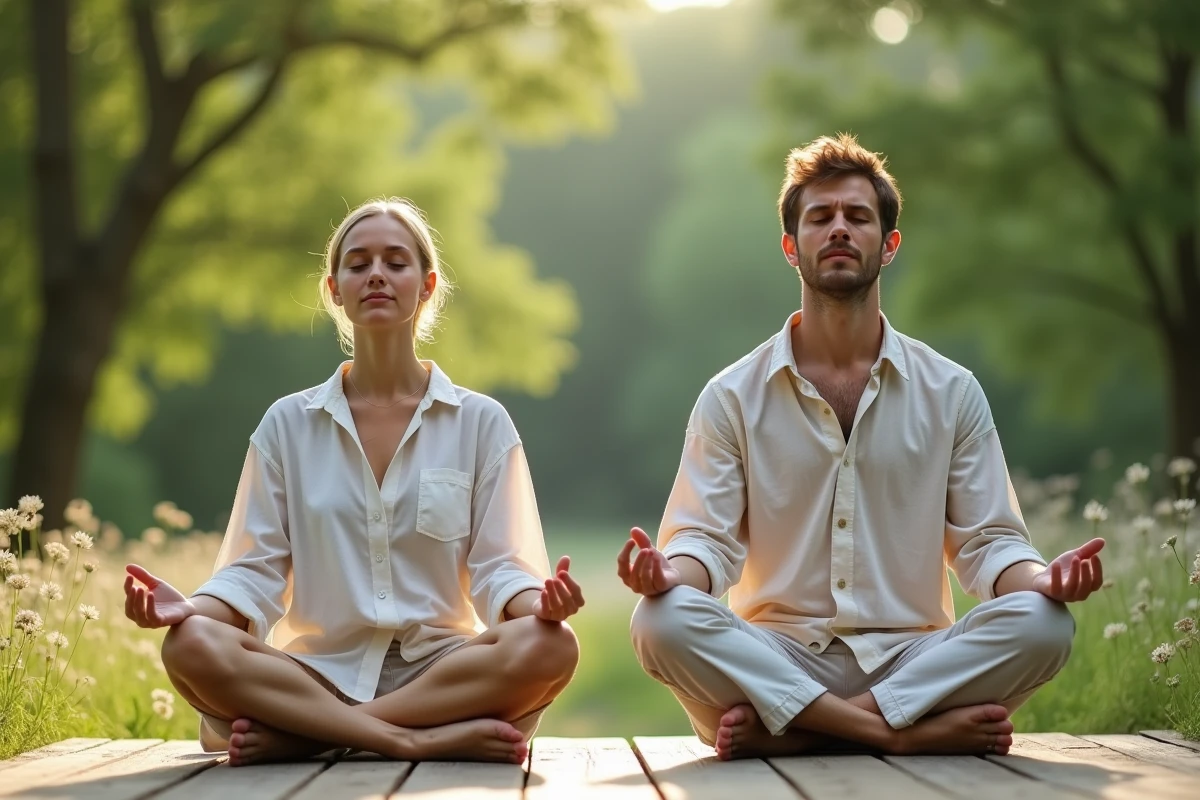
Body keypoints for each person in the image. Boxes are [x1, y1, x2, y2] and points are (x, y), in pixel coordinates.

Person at [617, 134, 1105, 761]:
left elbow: (989, 544)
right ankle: (897, 733)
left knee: (1045, 622)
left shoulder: (952, 391)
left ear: (889, 244)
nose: (839, 228)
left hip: (911, 658)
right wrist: (667, 573)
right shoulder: (731, 396)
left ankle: (799, 732)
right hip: (778, 655)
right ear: (791, 247)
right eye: (820, 217)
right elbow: (704, 542)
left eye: (858, 216)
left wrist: (1044, 579)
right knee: (659, 620)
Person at [124, 198, 583, 767]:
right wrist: (189, 608)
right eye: (359, 263)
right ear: (335, 289)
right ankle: (410, 739)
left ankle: (313, 737)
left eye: (396, 262)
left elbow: (502, 567)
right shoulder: (287, 424)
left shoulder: (481, 422)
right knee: (191, 643)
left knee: (550, 644)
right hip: (315, 675)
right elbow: (253, 570)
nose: (377, 275)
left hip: (441, 673)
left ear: (427, 285)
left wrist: (542, 602)